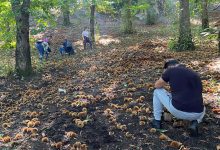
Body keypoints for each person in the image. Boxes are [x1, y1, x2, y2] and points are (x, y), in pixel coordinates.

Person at [152, 59, 205, 137]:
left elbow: (157, 85)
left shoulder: (170, 70)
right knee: (202, 107)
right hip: (198, 113)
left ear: (167, 68)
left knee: (157, 91)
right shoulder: (195, 74)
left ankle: (157, 121)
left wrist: (165, 79)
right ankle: (195, 123)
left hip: (178, 111)